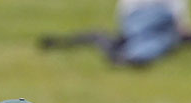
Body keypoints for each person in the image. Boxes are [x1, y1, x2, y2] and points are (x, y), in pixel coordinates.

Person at [39, 0, 191, 66]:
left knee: (160, 38)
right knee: (161, 38)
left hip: (142, 24)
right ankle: (135, 57)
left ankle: (131, 56)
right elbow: (176, 17)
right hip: (151, 21)